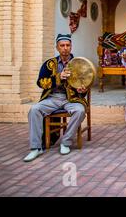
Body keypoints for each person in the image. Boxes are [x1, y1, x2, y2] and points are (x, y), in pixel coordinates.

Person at [23, 34, 88, 162]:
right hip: (52, 98)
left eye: (67, 45)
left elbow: (85, 83)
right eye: (62, 45)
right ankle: (35, 148)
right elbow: (40, 82)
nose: (65, 48)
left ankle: (66, 142)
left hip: (72, 99)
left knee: (80, 111)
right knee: (34, 110)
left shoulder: (79, 64)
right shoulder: (49, 64)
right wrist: (59, 77)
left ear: (71, 47)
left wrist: (83, 90)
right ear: (57, 48)